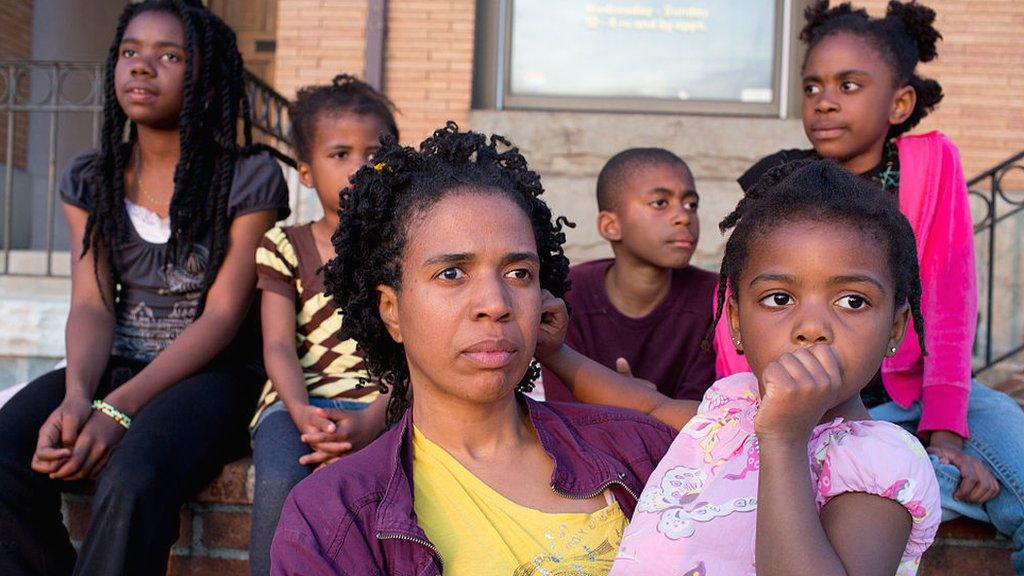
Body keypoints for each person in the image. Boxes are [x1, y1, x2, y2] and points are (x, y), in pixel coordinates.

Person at [270, 123, 677, 575]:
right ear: (391, 310)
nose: (495, 305)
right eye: (452, 274)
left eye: (519, 273)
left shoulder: (640, 450)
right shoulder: (332, 519)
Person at [716, 2, 1024, 570]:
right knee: (835, 472)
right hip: (816, 403)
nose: (825, 101)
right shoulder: (781, 181)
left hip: (918, 389)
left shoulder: (930, 164)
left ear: (900, 103)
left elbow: (950, 303)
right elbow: (739, 311)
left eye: (849, 85)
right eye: (811, 87)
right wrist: (753, 414)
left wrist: (947, 429)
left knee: (1014, 441)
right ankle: (932, 482)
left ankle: (934, 474)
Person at [0, 1, 289, 574]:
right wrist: (80, 395)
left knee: (134, 475)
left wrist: (119, 410)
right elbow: (91, 303)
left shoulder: (248, 178)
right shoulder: (92, 178)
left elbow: (222, 316)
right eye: (130, 52)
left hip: (216, 375)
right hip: (117, 365)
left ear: (204, 78)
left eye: (169, 56)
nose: (141, 66)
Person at [544, 160, 941, 575]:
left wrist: (784, 440)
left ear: (895, 328)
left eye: (852, 301)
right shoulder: (733, 407)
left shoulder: (876, 462)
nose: (811, 328)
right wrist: (558, 355)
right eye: (779, 299)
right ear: (735, 323)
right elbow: (649, 407)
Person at [247, 74, 399, 576]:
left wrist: (373, 418)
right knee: (278, 481)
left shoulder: (407, 247)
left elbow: (416, 351)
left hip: (387, 401)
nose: (359, 168)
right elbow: (277, 347)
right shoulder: (283, 244)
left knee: (398, 492)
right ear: (307, 173)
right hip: (297, 404)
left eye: (373, 153)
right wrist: (300, 412)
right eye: (340, 154)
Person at [541, 148, 717, 403]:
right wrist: (637, 404)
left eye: (691, 204)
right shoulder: (567, 296)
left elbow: (706, 423)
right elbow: (562, 418)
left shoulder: (714, 299)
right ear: (610, 226)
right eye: (660, 203)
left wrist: (631, 403)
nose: (684, 217)